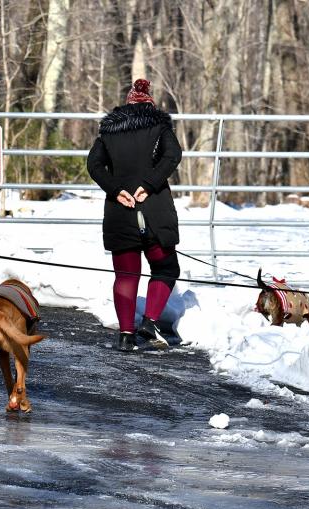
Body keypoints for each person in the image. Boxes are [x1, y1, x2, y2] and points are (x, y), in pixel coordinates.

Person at [87, 79, 183, 351]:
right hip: (154, 209)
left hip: (121, 210)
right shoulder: (159, 126)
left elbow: (93, 165)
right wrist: (149, 184)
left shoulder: (108, 132)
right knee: (165, 268)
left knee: (126, 275)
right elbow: (173, 155)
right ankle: (150, 321)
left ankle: (126, 335)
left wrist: (116, 190)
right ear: (150, 103)